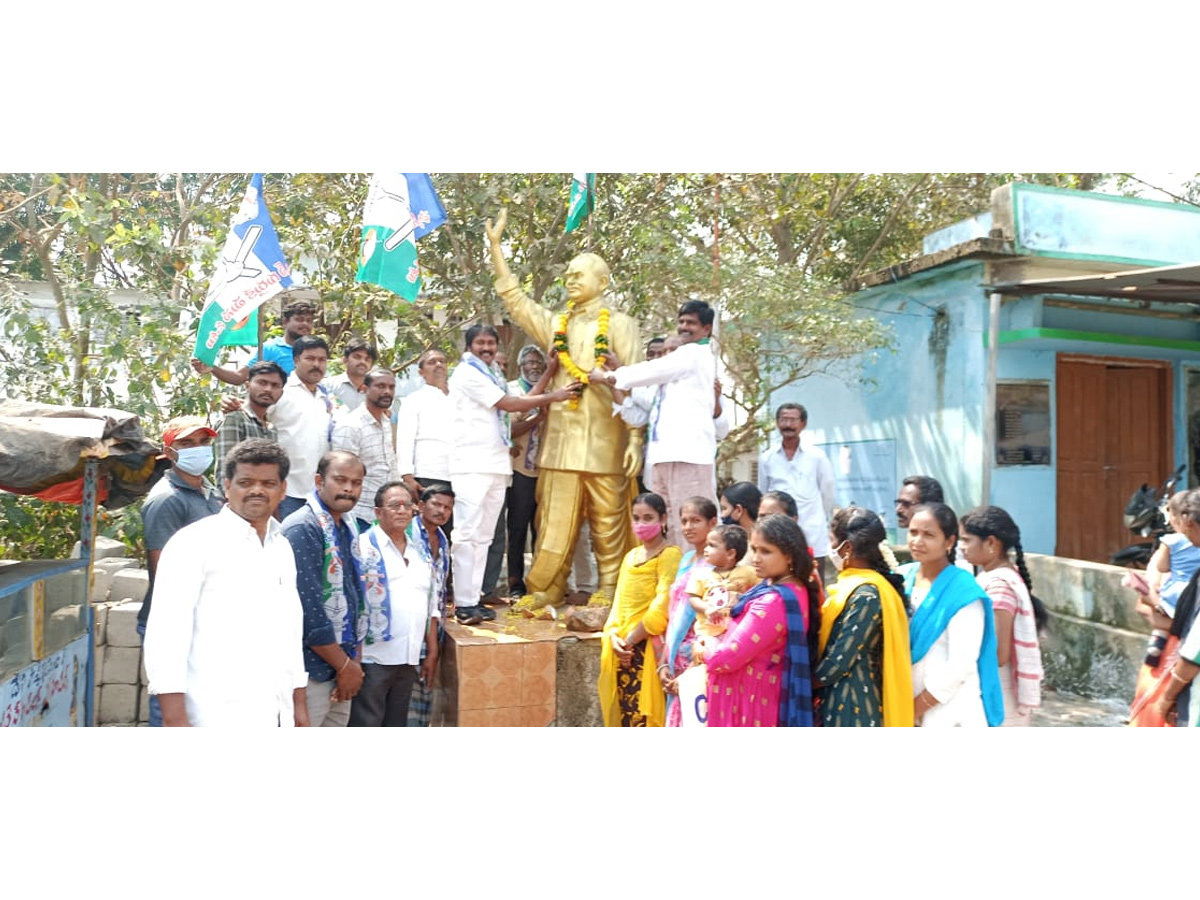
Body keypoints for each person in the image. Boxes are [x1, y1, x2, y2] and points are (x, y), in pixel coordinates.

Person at [487, 209, 644, 609]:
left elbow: (637, 386)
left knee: (610, 521)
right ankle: (546, 589)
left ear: (603, 282)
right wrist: (496, 248)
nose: (570, 280)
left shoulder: (621, 325)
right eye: (568, 275)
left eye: (579, 274)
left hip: (607, 441)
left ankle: (611, 587)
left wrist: (636, 439)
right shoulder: (557, 325)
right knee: (552, 521)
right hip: (559, 445)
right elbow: (518, 303)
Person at [145, 439, 308, 726]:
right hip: (212, 714)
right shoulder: (193, 544)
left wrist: (298, 708)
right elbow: (166, 637)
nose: (256, 490)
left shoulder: (281, 547)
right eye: (245, 482)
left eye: (268, 483)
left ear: (283, 490)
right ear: (227, 485)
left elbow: (291, 632)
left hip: (275, 713)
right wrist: (174, 719)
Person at [448, 324, 581, 625]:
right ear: (468, 347)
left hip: (497, 464)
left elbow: (519, 406)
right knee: (466, 535)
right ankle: (462, 603)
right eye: (480, 343)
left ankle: (473, 599)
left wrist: (550, 372)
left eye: (491, 343)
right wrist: (555, 396)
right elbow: (510, 404)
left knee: (483, 537)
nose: (486, 348)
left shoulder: (492, 373)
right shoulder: (467, 373)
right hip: (472, 463)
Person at [589, 301, 726, 550]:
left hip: (688, 455)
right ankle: (677, 582)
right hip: (666, 455)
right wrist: (617, 372)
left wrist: (608, 377)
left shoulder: (693, 354)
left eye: (691, 323)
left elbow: (651, 370)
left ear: (706, 329)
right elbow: (645, 391)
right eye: (682, 321)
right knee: (672, 525)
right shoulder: (680, 365)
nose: (684, 327)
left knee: (692, 524)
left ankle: (696, 583)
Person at [693, 514, 822, 727]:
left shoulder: (772, 602)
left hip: (749, 706)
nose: (756, 559)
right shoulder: (793, 588)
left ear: (789, 556)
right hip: (761, 699)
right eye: (754, 549)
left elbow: (722, 658)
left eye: (766, 551)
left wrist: (703, 643)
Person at [136, 416, 223, 727]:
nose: (197, 449)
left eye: (203, 442)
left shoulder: (209, 492)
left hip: (201, 619)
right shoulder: (166, 500)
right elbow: (166, 577)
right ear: (168, 451)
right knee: (172, 708)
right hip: (174, 622)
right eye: (186, 443)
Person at [281, 450, 368, 727]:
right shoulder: (303, 528)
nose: (348, 489)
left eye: (356, 483)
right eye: (340, 480)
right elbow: (308, 611)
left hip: (341, 667)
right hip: (311, 671)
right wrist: (345, 666)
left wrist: (351, 664)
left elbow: (354, 595)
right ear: (319, 480)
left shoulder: (347, 527)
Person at [904, 502, 1005, 727]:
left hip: (951, 711)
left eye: (928, 535)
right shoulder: (901, 579)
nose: (917, 541)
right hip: (905, 703)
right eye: (913, 532)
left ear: (949, 541)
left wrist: (913, 708)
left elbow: (961, 665)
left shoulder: (964, 592)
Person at [349, 482, 440, 727]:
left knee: (396, 724)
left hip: (408, 658)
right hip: (372, 658)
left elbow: (430, 604)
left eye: (406, 505)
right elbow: (353, 603)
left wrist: (432, 652)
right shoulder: (362, 547)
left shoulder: (419, 551)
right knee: (366, 725)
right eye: (394, 505)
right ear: (378, 512)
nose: (401, 510)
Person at [816, 507, 913, 727]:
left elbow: (837, 663)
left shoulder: (866, 595)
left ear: (847, 548)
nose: (830, 549)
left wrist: (798, 683)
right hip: (838, 698)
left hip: (853, 704)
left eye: (832, 541)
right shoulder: (853, 585)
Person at [597, 493, 682, 727]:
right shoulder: (630, 556)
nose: (641, 524)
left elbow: (662, 605)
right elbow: (619, 605)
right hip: (621, 649)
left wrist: (632, 640)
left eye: (648, 518)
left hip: (647, 647)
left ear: (663, 519)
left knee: (643, 718)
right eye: (636, 518)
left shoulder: (670, 554)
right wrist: (613, 636)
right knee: (625, 713)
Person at [959, 505, 1046, 727]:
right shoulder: (999, 576)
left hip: (998, 694)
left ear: (991, 543)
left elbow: (998, 654)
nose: (961, 547)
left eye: (967, 540)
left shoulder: (998, 585)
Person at [657, 496, 719, 727]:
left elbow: (718, 621)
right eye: (684, 521)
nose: (688, 527)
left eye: (696, 520)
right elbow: (675, 614)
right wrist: (663, 662)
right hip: (674, 655)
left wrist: (692, 669)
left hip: (698, 656)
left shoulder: (718, 565)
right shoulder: (685, 559)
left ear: (712, 523)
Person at [757, 403, 836, 566]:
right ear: (777, 423)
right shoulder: (767, 458)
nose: (788, 425)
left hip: (810, 532)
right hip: (777, 534)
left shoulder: (816, 456)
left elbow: (827, 492)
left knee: (814, 583)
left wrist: (819, 517)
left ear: (803, 424)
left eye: (793, 420)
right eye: (783, 420)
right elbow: (763, 492)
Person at [271, 335, 337, 521]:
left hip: (320, 493)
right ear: (296, 360)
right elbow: (255, 415)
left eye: (322, 360)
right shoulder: (281, 391)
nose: (317, 364)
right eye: (310, 358)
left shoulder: (325, 395)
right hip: (289, 491)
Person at [504, 345, 552, 599]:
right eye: (529, 362)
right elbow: (510, 430)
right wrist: (536, 419)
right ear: (520, 365)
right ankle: (515, 584)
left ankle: (540, 582)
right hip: (520, 471)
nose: (534, 366)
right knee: (518, 528)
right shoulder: (511, 391)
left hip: (548, 471)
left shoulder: (554, 392)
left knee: (543, 529)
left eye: (539, 363)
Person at [406, 484, 454, 727]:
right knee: (403, 701)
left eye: (447, 507)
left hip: (432, 629)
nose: (442, 511)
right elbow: (421, 595)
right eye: (436, 504)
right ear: (421, 505)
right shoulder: (408, 535)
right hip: (412, 629)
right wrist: (432, 647)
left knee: (423, 696)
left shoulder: (442, 538)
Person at [191, 295, 316, 385]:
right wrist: (213, 368)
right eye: (299, 319)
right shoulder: (269, 349)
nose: (305, 324)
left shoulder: (315, 351)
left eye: (309, 321)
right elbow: (240, 377)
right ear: (285, 322)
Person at [332, 368, 399, 531]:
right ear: (364, 389)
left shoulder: (385, 421)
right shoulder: (351, 426)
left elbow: (389, 466)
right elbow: (341, 477)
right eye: (381, 386)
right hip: (358, 516)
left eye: (391, 387)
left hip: (384, 515)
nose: (387, 392)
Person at [213, 361, 284, 498]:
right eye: (262, 383)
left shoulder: (271, 429)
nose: (268, 389)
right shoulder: (235, 419)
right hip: (237, 506)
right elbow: (225, 471)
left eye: (275, 385)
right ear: (247, 385)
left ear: (281, 393)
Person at [686, 525, 756, 640]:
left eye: (711, 545)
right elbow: (693, 598)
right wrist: (706, 608)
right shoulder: (701, 574)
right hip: (707, 634)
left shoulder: (748, 573)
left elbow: (763, 589)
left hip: (736, 633)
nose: (706, 549)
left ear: (730, 554)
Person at [323, 337, 378, 411]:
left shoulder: (376, 391)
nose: (362, 362)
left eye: (367, 359)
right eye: (357, 357)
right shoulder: (327, 386)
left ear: (371, 365)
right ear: (345, 360)